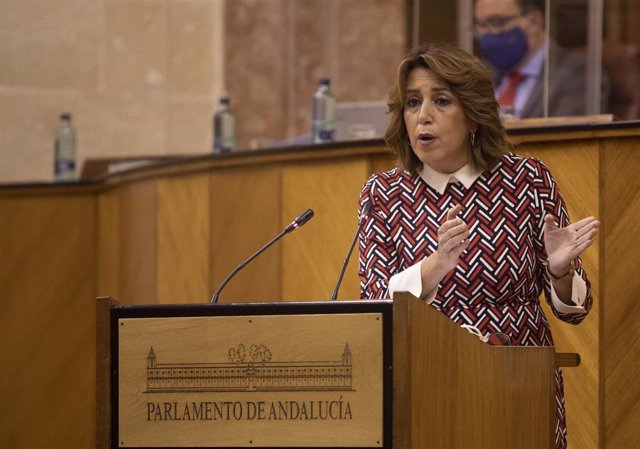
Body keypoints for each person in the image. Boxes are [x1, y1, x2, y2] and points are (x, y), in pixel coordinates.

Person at [357, 43, 600, 449]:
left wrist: (560, 272)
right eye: (413, 103)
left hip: (516, 379)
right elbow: (373, 306)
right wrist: (433, 267)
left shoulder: (527, 181)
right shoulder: (383, 193)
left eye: (441, 101)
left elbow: (576, 309)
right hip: (424, 382)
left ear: (472, 115)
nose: (424, 116)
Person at [474, 0, 610, 118]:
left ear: (534, 21)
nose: (488, 33)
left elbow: (571, 142)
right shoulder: (481, 74)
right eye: (481, 25)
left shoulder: (580, 74)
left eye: (498, 22)